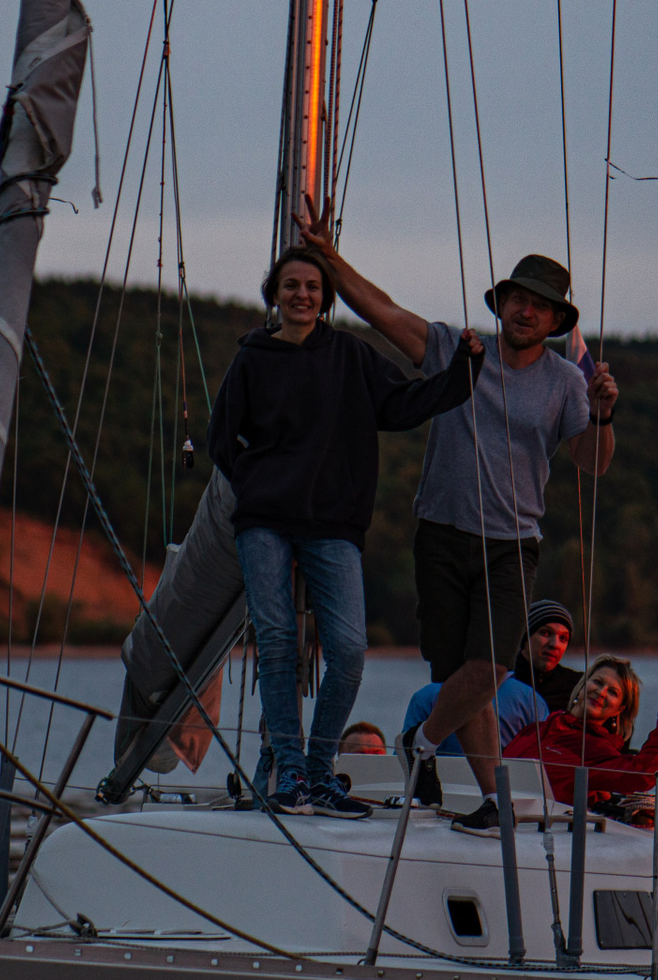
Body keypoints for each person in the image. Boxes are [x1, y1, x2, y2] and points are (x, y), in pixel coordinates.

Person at [298, 208, 619, 836]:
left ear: (557, 321)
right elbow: (383, 312)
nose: (527, 312)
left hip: (513, 542)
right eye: (519, 299)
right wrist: (329, 259)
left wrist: (604, 415)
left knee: (492, 667)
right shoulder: (457, 348)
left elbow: (593, 462)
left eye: (541, 306)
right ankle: (494, 799)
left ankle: (419, 741)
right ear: (503, 305)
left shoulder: (565, 382)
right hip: (441, 533)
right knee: (459, 677)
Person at [209, 244, 483, 820]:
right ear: (274, 294)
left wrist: (464, 369)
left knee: (350, 651)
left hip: (333, 522)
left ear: (325, 298)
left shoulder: (350, 355)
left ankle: (317, 771)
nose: (302, 294)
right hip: (264, 521)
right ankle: (289, 772)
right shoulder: (252, 358)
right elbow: (221, 439)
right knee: (277, 643)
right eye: (291, 285)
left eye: (312, 286)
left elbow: (404, 405)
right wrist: (260, 485)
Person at [502, 657, 658, 808]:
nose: (601, 692)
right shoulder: (536, 729)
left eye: (613, 692)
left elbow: (643, 774)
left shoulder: (597, 751)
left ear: (618, 710)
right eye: (598, 682)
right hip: (501, 820)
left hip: (541, 834)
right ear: (582, 686)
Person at [400, 675, 548, 757]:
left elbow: (403, 761)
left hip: (444, 790)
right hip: (507, 792)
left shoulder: (429, 695)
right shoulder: (531, 699)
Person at [511, 599, 583, 712]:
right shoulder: (501, 678)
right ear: (525, 637)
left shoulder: (577, 686)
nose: (555, 644)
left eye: (563, 638)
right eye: (545, 633)